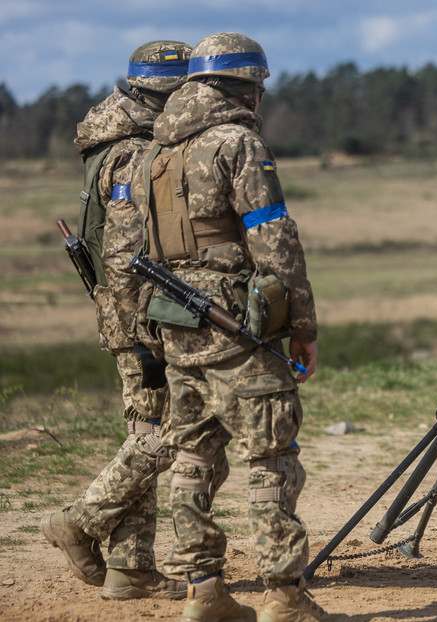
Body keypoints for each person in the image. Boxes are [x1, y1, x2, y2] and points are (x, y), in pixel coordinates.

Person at [131, 32, 329, 622]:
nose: (259, 100)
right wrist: (302, 323)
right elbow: (274, 237)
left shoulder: (154, 153)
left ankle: (204, 591)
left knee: (192, 456)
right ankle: (284, 595)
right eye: (257, 87)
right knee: (271, 454)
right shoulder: (237, 144)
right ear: (243, 86)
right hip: (239, 324)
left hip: (177, 325)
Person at [40, 40, 212, 601]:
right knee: (175, 432)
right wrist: (146, 332)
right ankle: (79, 520)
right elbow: (124, 252)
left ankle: (131, 568)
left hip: (126, 312)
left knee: (145, 430)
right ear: (169, 94)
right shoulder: (138, 152)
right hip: (142, 318)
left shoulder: (109, 141)